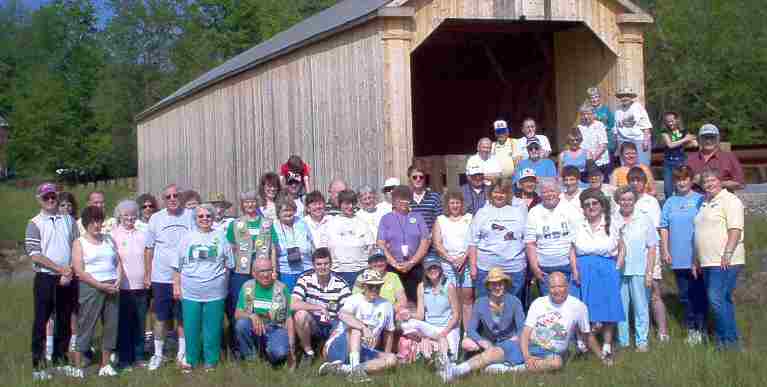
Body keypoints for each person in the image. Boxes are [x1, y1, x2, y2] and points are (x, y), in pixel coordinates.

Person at [26, 183, 79, 381]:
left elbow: (76, 246)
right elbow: (35, 255)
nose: (50, 200)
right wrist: (60, 269)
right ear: (39, 199)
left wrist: (70, 270)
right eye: (46, 197)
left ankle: (61, 361)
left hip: (67, 277)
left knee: (64, 321)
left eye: (53, 197)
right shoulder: (34, 223)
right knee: (41, 322)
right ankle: (38, 366)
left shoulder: (69, 220)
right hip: (45, 278)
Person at [172, 204, 233, 371]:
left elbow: (229, 264)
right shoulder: (187, 238)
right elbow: (176, 266)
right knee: (191, 328)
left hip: (215, 292)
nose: (205, 218)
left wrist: (223, 285)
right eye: (201, 216)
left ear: (213, 218)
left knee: (212, 328)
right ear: (195, 219)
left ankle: (211, 361)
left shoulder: (220, 236)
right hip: (190, 291)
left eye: (208, 216)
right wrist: (176, 286)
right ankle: (191, 359)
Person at [439, 268, 526, 382]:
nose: (497, 287)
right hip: (488, 342)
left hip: (509, 342)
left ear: (505, 285)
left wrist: (515, 338)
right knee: (466, 343)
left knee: (497, 354)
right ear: (489, 286)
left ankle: (455, 371)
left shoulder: (514, 301)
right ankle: (500, 366)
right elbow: (471, 330)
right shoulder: (480, 302)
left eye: (500, 283)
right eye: (493, 284)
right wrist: (482, 341)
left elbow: (522, 329)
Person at [694, 168, 746, 350]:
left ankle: (728, 341)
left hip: (725, 260)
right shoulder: (703, 202)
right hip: (707, 261)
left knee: (715, 299)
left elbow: (735, 229)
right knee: (721, 300)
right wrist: (696, 260)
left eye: (712, 180)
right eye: (705, 182)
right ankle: (726, 340)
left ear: (721, 181)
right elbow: (699, 233)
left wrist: (728, 253)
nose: (708, 184)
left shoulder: (730, 200)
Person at [520, 272, 613, 373]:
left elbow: (587, 335)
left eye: (560, 286)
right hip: (532, 346)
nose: (557, 291)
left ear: (567, 286)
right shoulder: (538, 302)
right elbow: (526, 332)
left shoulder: (578, 306)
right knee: (501, 353)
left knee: (556, 363)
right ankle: (527, 363)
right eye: (553, 287)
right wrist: (527, 356)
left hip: (553, 354)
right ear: (547, 288)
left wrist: (602, 357)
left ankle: (521, 367)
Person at [145, 184, 195, 371]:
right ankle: (158, 354)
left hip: (186, 276)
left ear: (181, 197)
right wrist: (148, 274)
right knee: (160, 317)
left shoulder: (191, 216)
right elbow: (149, 249)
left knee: (182, 317)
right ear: (163, 200)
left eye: (176, 195)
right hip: (161, 277)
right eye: (168, 196)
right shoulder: (156, 219)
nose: (172, 198)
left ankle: (182, 353)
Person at [570, 188, 624, 358]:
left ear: (601, 205)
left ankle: (607, 344)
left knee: (607, 307)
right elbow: (572, 250)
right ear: (583, 208)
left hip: (606, 268)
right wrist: (574, 270)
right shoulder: (578, 225)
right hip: (583, 268)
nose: (591, 207)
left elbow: (622, 247)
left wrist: (618, 265)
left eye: (594, 203)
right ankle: (581, 342)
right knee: (581, 308)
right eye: (587, 204)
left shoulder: (612, 224)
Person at [319, 269, 398, 383]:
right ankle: (355, 372)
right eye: (371, 286)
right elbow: (342, 314)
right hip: (339, 346)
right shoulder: (354, 299)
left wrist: (386, 354)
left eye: (378, 287)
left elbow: (389, 333)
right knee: (356, 330)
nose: (374, 290)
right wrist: (363, 328)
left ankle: (344, 369)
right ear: (364, 286)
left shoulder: (386, 305)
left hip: (364, 350)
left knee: (392, 359)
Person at [71, 205, 123, 378]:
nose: (96, 224)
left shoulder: (109, 239)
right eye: (93, 221)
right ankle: (78, 366)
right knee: (86, 325)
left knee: (111, 326)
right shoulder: (79, 243)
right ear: (86, 223)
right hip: (91, 287)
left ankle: (105, 364)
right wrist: (100, 286)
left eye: (99, 221)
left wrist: (118, 279)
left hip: (112, 287)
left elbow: (118, 262)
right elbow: (79, 270)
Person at [659, 166, 706, 345]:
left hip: (697, 257)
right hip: (678, 257)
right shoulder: (670, 202)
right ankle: (692, 329)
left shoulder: (700, 199)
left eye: (685, 178)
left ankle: (702, 327)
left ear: (691, 180)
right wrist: (665, 249)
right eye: (678, 179)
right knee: (685, 295)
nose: (682, 182)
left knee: (699, 294)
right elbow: (664, 227)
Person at [225, 190, 275, 354]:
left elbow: (273, 247)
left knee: (262, 305)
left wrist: (273, 269)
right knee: (240, 307)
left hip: (263, 271)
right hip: (241, 271)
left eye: (252, 201)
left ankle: (264, 344)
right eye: (246, 202)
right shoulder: (236, 223)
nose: (250, 205)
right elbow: (230, 247)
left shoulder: (267, 223)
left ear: (257, 203)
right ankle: (238, 347)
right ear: (242, 205)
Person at [612, 186, 657, 351]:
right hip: (618, 271)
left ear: (635, 200)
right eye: (623, 199)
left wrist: (649, 272)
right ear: (618, 201)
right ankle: (623, 342)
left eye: (630, 199)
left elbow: (652, 247)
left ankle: (642, 341)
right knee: (621, 308)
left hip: (639, 269)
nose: (626, 202)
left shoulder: (644, 219)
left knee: (641, 307)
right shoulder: (611, 219)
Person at [627, 167, 668, 342]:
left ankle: (663, 331)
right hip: (629, 255)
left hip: (650, 253)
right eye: (632, 180)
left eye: (639, 180)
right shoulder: (624, 200)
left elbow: (658, 229)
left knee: (654, 292)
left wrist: (662, 251)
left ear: (645, 182)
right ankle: (639, 330)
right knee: (632, 295)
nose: (635, 183)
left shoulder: (651, 201)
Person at [468, 179, 527, 299]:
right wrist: (473, 267)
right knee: (485, 305)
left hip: (513, 268)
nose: (499, 195)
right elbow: (472, 242)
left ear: (508, 194)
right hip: (487, 268)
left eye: (503, 192)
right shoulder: (482, 213)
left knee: (512, 304)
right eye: (495, 192)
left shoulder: (519, 212)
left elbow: (527, 239)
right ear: (490, 194)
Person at [292, 248, 352, 365]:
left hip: (333, 322)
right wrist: (318, 308)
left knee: (344, 330)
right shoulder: (305, 278)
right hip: (314, 322)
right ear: (313, 265)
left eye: (326, 264)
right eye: (319, 264)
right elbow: (293, 303)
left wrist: (338, 329)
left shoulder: (341, 284)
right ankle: (308, 352)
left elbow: (348, 311)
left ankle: (335, 357)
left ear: (331, 264)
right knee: (300, 314)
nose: (322, 267)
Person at [234, 258, 295, 365]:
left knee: (280, 353)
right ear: (254, 273)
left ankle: (269, 354)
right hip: (255, 327)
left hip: (276, 328)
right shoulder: (247, 287)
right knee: (241, 324)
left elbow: (289, 319)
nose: (266, 274)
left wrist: (292, 348)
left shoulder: (282, 288)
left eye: (269, 270)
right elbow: (237, 314)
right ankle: (251, 359)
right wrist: (252, 316)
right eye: (262, 271)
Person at [111, 200, 149, 370]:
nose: (130, 218)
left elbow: (149, 257)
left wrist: (148, 276)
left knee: (140, 323)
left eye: (133, 214)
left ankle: (139, 357)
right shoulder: (113, 235)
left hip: (141, 286)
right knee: (124, 324)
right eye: (126, 215)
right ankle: (124, 359)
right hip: (123, 288)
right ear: (119, 216)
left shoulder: (143, 234)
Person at [400, 257, 461, 363]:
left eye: (435, 267)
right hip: (431, 326)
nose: (433, 270)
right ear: (425, 272)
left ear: (440, 269)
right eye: (429, 269)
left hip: (447, 327)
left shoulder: (449, 286)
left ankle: (432, 348)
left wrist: (444, 332)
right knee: (406, 324)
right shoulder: (422, 287)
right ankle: (429, 345)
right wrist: (409, 315)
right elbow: (420, 315)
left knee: (453, 358)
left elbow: (456, 315)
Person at [525, 179, 579, 295]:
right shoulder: (534, 212)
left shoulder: (570, 209)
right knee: (550, 305)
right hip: (544, 268)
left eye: (552, 191)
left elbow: (575, 241)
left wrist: (575, 268)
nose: (549, 194)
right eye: (544, 192)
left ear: (559, 191)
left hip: (567, 266)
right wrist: (535, 267)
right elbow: (530, 243)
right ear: (540, 194)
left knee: (569, 302)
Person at [377, 185, 430, 301]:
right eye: (398, 199)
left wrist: (412, 262)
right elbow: (381, 243)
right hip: (392, 268)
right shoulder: (386, 219)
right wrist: (394, 263)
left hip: (415, 267)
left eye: (406, 198)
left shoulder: (418, 217)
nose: (402, 201)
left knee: (417, 301)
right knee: (394, 301)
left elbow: (425, 241)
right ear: (393, 201)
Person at [431, 191, 474, 329]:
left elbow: (474, 241)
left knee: (467, 298)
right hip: (448, 264)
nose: (455, 205)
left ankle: (468, 331)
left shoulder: (469, 218)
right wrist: (451, 260)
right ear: (447, 205)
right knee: (453, 299)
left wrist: (463, 258)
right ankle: (456, 330)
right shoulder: (440, 220)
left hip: (466, 262)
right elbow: (437, 244)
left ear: (461, 204)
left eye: (457, 202)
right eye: (452, 203)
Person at [324, 190, 376, 286]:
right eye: (347, 203)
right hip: (337, 273)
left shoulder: (362, 223)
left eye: (353, 203)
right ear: (340, 204)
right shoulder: (331, 223)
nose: (350, 206)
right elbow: (324, 248)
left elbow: (371, 248)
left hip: (360, 273)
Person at [271, 196, 314, 292]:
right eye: (284, 211)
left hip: (306, 269)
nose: (288, 213)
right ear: (278, 213)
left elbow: (312, 244)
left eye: (290, 210)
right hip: (285, 272)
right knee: (288, 301)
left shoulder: (302, 223)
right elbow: (272, 251)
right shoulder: (274, 226)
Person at [687, 124, 745, 192]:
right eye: (705, 137)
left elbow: (740, 184)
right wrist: (693, 181)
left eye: (712, 137)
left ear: (718, 139)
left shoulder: (729, 157)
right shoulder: (690, 159)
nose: (708, 141)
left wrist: (717, 183)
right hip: (696, 200)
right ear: (699, 139)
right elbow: (680, 182)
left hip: (722, 199)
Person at [660, 112, 698, 199]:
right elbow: (670, 145)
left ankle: (681, 203)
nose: (670, 123)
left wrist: (688, 141)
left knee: (681, 185)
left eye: (672, 121)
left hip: (681, 162)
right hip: (668, 162)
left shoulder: (684, 131)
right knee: (668, 188)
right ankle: (669, 203)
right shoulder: (665, 132)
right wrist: (684, 140)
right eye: (668, 121)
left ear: (677, 120)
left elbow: (695, 144)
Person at [614, 87, 652, 166]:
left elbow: (646, 125)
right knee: (625, 165)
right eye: (622, 96)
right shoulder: (618, 109)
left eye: (627, 95)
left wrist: (645, 141)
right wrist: (617, 143)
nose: (624, 98)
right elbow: (616, 128)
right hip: (623, 140)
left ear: (631, 97)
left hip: (638, 139)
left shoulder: (638, 107)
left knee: (642, 164)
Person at [579, 103, 610, 179]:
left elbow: (603, 145)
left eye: (588, 114)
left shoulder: (599, 125)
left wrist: (592, 161)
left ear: (593, 114)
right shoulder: (579, 127)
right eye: (583, 114)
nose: (586, 116)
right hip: (585, 163)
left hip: (600, 162)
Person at [408, 164, 443, 231]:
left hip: (430, 239)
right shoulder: (405, 199)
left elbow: (440, 221)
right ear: (410, 179)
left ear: (424, 179)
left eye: (421, 177)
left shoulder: (434, 197)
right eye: (414, 177)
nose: (418, 179)